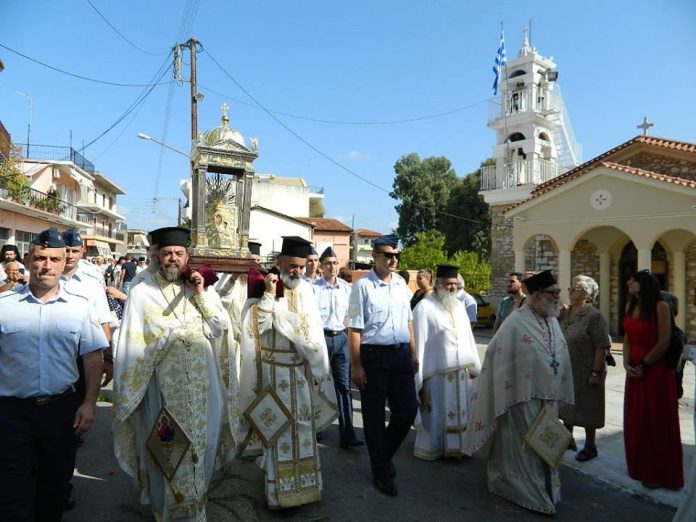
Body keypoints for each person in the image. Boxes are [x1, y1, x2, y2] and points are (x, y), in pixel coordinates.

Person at [113, 227, 238, 521]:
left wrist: (201, 295)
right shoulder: (142, 293)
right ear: (156, 254)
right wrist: (168, 336)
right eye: (167, 253)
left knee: (203, 444)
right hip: (161, 388)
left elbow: (220, 327)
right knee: (168, 449)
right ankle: (166, 510)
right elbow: (131, 345)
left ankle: (197, 508)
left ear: (187, 257)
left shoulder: (197, 288)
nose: (173, 259)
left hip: (201, 386)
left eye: (179, 254)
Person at [0, 227, 108, 521]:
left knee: (54, 490)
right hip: (12, 414)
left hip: (60, 412)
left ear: (64, 263)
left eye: (53, 259)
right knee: (12, 491)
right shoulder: (4, 307)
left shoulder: (79, 307)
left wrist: (89, 403)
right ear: (27, 259)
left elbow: (93, 356)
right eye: (39, 258)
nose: (46, 265)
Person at [462, 270, 573, 515]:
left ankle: (547, 488)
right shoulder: (516, 321)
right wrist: (509, 381)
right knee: (525, 446)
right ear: (536, 296)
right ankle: (522, 488)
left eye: (558, 293)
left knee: (546, 442)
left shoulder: (552, 319)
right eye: (552, 293)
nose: (557, 298)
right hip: (519, 396)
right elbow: (494, 354)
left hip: (548, 396)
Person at [239, 236, 337, 509]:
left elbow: (313, 332)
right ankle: (278, 494)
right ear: (280, 262)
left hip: (300, 374)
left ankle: (305, 489)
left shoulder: (307, 290)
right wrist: (269, 296)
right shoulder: (264, 285)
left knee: (304, 429)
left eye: (302, 266)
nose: (296, 271)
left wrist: (318, 368)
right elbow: (254, 327)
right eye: (292, 265)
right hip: (274, 373)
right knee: (278, 431)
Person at [347, 234, 418, 497]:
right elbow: (354, 327)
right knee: (375, 415)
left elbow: (409, 321)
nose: (393, 259)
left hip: (400, 356)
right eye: (388, 255)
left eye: (396, 255)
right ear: (375, 256)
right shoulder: (362, 286)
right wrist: (356, 365)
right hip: (373, 356)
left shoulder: (401, 284)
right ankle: (382, 470)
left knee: (408, 411)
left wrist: (413, 352)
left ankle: (380, 457)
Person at [412, 264, 481, 461]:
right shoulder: (424, 308)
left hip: (460, 373)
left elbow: (468, 338)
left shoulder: (459, 306)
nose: (453, 288)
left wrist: (474, 366)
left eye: (455, 284)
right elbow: (419, 343)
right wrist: (419, 374)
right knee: (437, 414)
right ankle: (435, 448)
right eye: (449, 284)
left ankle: (459, 449)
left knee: (460, 411)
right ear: (439, 283)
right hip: (436, 375)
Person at [623, 269, 683, 490]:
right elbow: (628, 338)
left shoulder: (661, 307)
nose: (629, 282)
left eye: (633, 280)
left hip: (655, 370)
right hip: (635, 370)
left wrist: (643, 365)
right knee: (637, 419)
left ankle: (661, 472)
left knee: (656, 421)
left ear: (645, 284)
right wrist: (626, 364)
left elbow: (664, 342)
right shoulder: (631, 306)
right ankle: (640, 467)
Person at [314, 246, 363, 449]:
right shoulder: (313, 289)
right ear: (321, 267)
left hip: (341, 339)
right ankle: (316, 429)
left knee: (343, 386)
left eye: (335, 263)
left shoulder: (346, 288)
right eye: (328, 264)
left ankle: (347, 434)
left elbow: (353, 314)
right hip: (321, 339)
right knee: (317, 384)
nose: (332, 267)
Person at [558, 275, 610, 462]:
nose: (571, 290)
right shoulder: (565, 313)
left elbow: (601, 345)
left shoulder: (593, 316)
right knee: (566, 405)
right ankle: (566, 439)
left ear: (588, 293)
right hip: (566, 369)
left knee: (589, 408)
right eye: (571, 287)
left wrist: (595, 372)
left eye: (577, 288)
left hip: (586, 369)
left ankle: (590, 446)